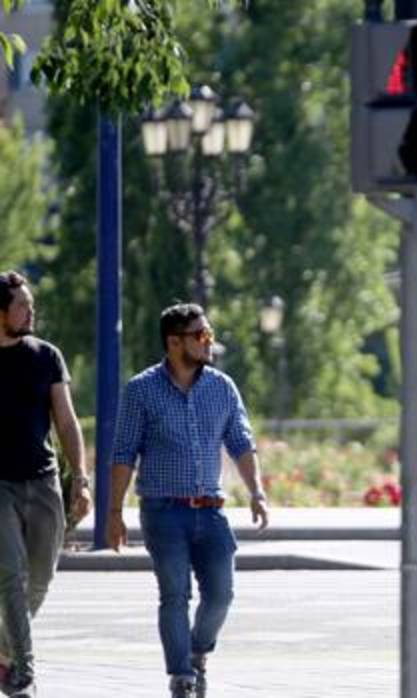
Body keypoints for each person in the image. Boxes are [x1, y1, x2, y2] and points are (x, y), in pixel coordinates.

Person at [105, 303, 270, 698]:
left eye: (209, 333)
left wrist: (257, 492)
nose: (208, 341)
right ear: (174, 341)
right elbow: (124, 453)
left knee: (221, 594)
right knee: (174, 594)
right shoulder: (141, 390)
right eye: (201, 335)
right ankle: (181, 675)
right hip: (163, 512)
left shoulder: (222, 387)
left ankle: (197, 651)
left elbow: (242, 444)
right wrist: (113, 513)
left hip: (211, 511)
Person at [0, 271, 92, 698]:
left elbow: (67, 421)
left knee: (40, 579)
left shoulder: (47, 356)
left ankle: (3, 653)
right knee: (11, 576)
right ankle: (24, 673)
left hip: (44, 481)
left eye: (31, 303)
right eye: (22, 304)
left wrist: (82, 480)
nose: (30, 310)